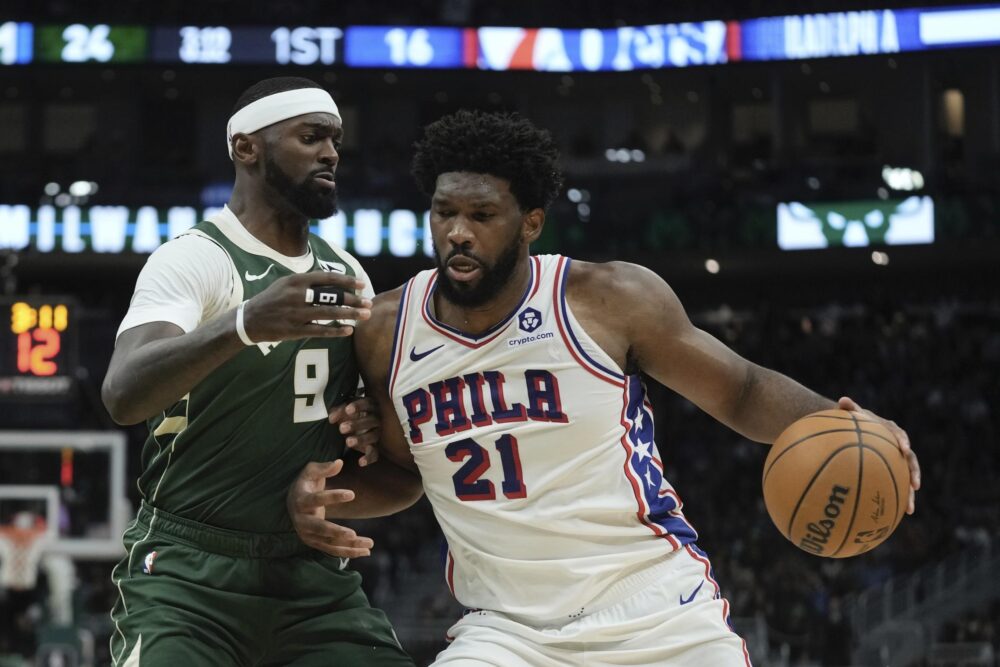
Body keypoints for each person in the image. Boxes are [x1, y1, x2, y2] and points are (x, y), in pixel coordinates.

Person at [289, 110, 921, 666]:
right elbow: (404, 475)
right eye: (445, 212)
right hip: (506, 630)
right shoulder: (385, 332)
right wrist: (324, 497)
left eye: (482, 215)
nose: (458, 231)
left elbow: (743, 391)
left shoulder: (608, 300)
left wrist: (850, 424)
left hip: (656, 606)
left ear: (530, 222)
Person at [101, 76, 421, 666]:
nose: (331, 153)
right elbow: (124, 394)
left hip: (310, 574)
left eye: (335, 141)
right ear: (247, 148)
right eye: (310, 137)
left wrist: (367, 424)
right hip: (186, 572)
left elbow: (369, 438)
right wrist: (244, 322)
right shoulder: (197, 257)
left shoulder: (346, 271)